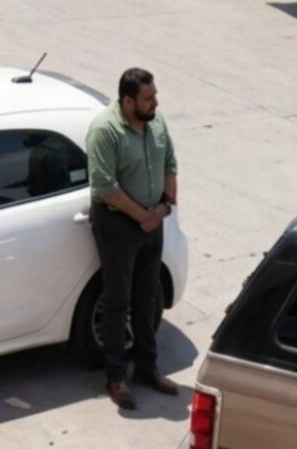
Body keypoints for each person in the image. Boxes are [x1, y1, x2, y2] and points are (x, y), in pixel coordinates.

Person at [86, 67, 179, 410]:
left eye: (155, 95)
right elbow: (105, 187)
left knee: (147, 296)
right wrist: (144, 216)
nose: (156, 102)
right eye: (148, 97)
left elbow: (170, 164)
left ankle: (146, 367)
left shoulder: (156, 122)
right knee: (117, 300)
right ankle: (116, 377)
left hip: (153, 221)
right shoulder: (105, 131)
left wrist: (164, 207)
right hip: (118, 225)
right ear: (128, 101)